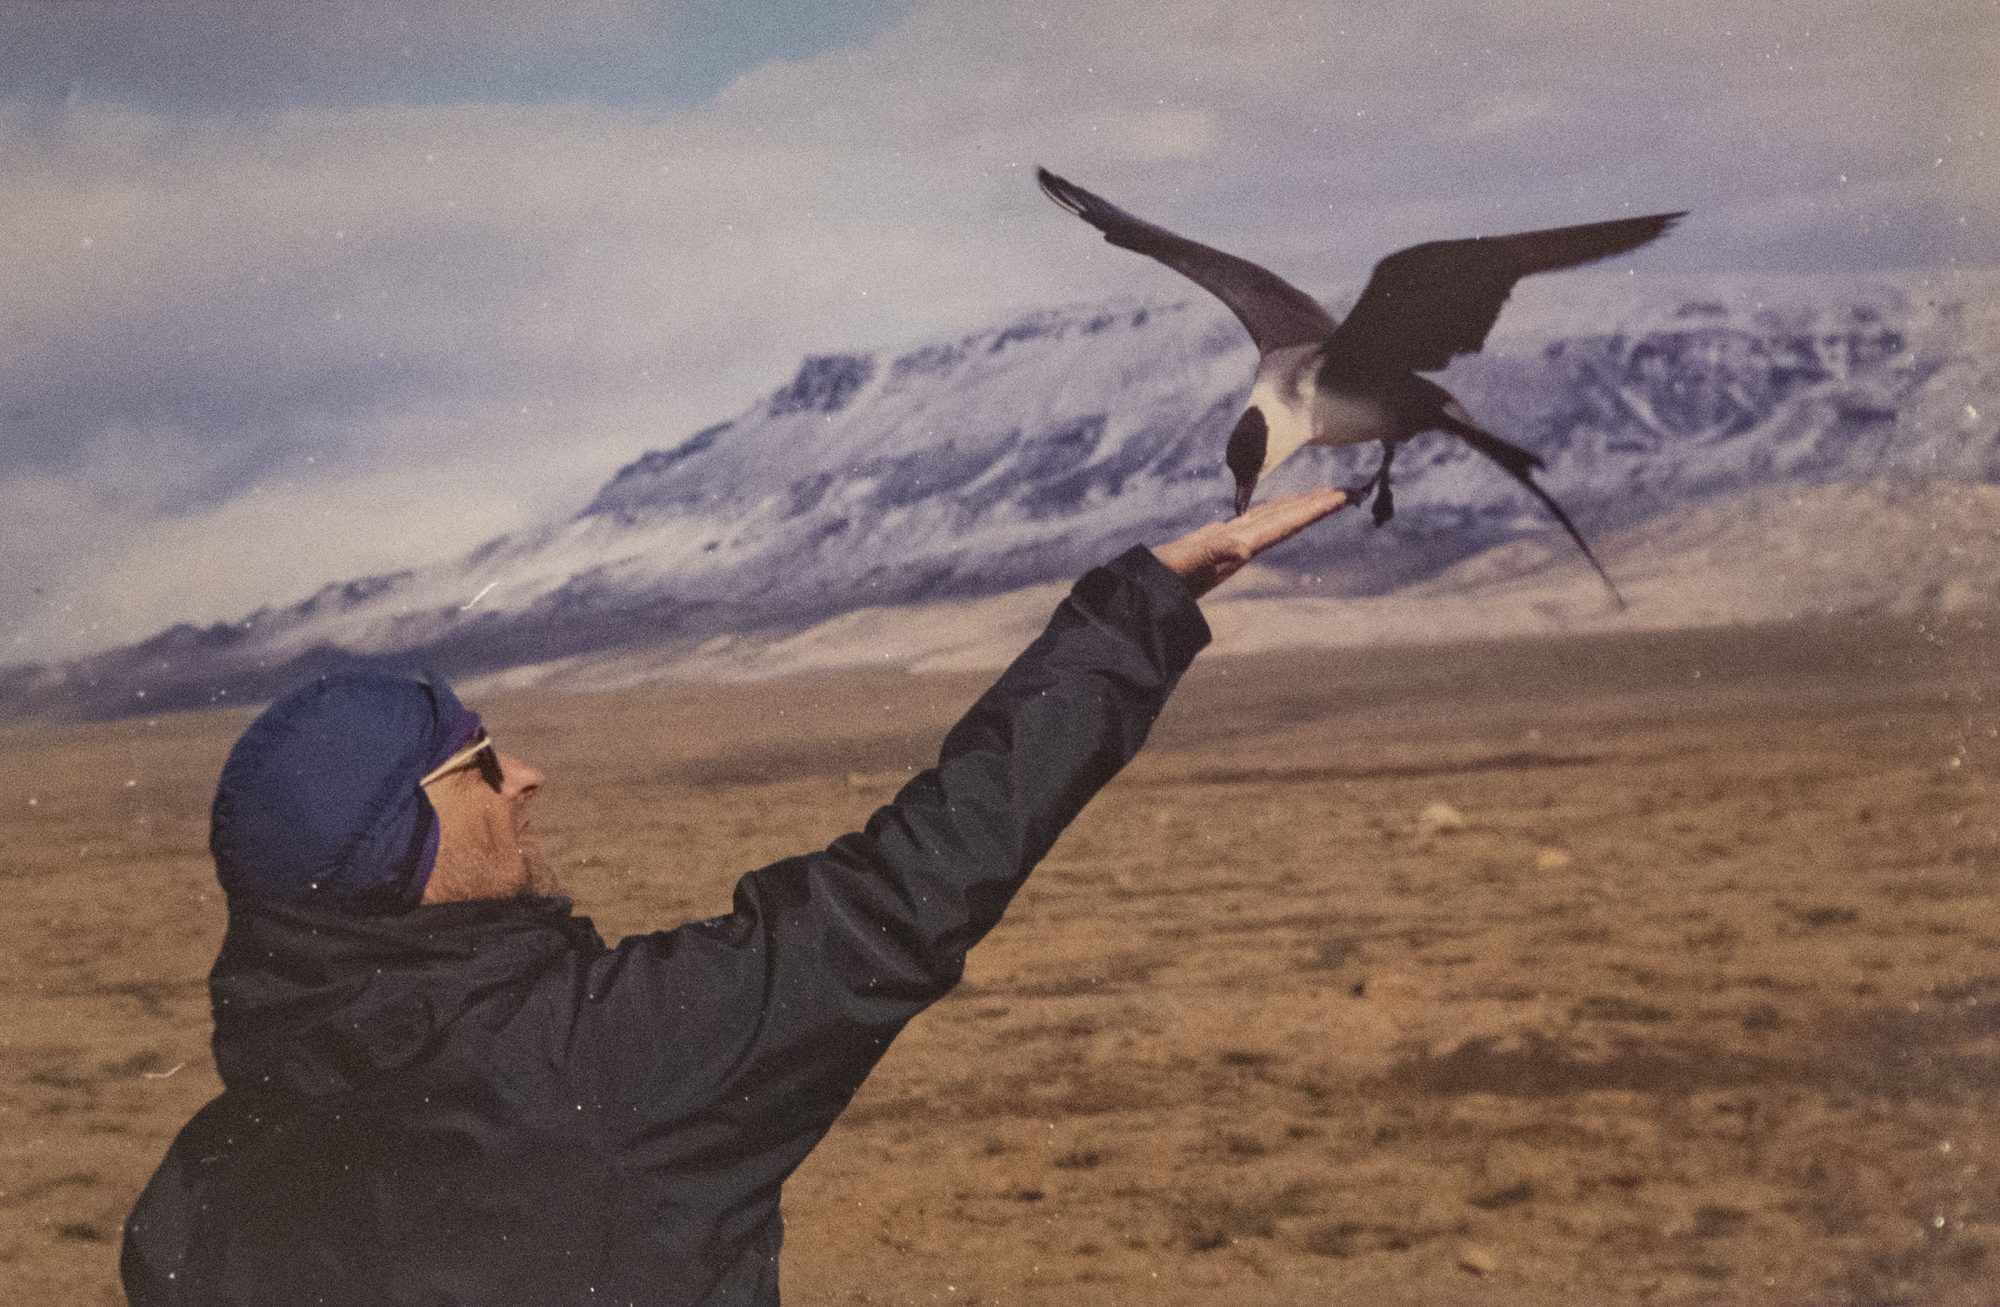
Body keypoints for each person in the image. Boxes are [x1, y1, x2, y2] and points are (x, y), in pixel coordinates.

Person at [121, 489, 1348, 1307]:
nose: (528, 774)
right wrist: (1134, 611)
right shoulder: (610, 1060)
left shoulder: (202, 1185)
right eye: (482, 763)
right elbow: (910, 886)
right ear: (404, 844)